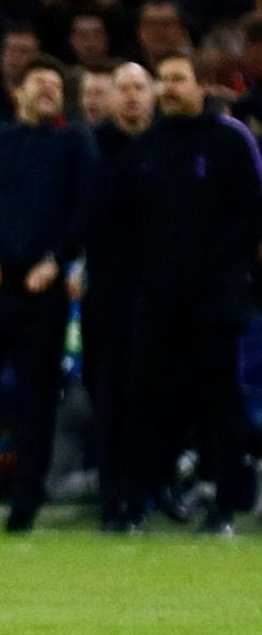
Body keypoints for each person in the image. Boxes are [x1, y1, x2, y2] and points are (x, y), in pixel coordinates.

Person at [0, 54, 100, 533]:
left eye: (56, 84)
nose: (49, 90)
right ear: (17, 90)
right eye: (40, 83)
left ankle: (24, 509)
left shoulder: (74, 142)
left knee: (36, 401)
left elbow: (88, 206)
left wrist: (57, 259)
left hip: (42, 290)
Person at [114, 51, 262, 535]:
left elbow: (250, 213)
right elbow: (128, 220)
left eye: (179, 79)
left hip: (214, 299)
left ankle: (223, 507)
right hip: (156, 299)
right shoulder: (147, 146)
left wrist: (212, 267)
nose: (169, 88)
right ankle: (137, 503)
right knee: (143, 398)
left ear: (202, 85)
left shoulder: (230, 140)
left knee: (218, 402)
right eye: (164, 80)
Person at [83, 61, 154, 530]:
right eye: (121, 89)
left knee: (150, 397)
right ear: (108, 98)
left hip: (159, 293)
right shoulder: (90, 147)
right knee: (108, 395)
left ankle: (148, 494)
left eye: (138, 88)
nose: (130, 96)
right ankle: (113, 500)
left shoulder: (169, 145)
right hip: (107, 292)